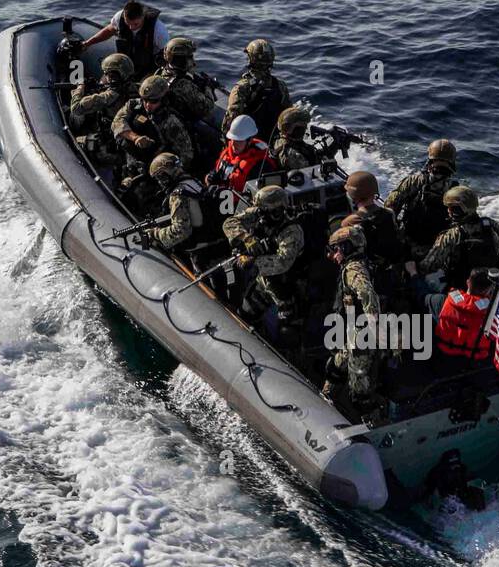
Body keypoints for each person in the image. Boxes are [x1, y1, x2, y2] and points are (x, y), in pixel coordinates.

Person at [222, 184, 304, 344]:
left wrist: (253, 262)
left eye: (267, 212)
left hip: (285, 285)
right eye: (261, 211)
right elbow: (229, 223)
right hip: (263, 281)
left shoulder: (291, 230)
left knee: (288, 331)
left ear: (277, 210)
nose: (262, 216)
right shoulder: (259, 213)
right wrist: (246, 238)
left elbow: (283, 262)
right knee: (247, 312)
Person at [324, 225, 385, 423]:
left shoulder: (353, 270)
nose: (333, 255)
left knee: (360, 387)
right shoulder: (367, 262)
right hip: (354, 331)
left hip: (362, 334)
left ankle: (372, 421)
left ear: (346, 248)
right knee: (336, 366)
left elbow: (366, 293)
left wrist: (373, 323)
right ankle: (327, 396)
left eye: (336, 249)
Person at [418, 185, 499, 291]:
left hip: (461, 291)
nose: (449, 212)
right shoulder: (495, 227)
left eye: (453, 209)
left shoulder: (451, 236)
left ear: (463, 210)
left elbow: (428, 267)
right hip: (491, 287)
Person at [127, 153, 220, 259]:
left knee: (148, 237)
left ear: (164, 174)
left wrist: (154, 234)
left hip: (198, 248)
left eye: (159, 177)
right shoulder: (194, 182)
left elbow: (181, 231)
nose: (159, 182)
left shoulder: (177, 194)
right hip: (211, 237)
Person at [338, 170, 408, 310]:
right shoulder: (389, 214)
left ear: (353, 196)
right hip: (389, 271)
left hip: (367, 275)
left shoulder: (349, 222)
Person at [388, 139, 460, 261]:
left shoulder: (414, 181)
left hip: (406, 244)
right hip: (437, 252)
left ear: (430, 159)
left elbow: (390, 207)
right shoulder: (456, 190)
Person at [111, 74, 194, 177]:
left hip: (151, 168)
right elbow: (117, 122)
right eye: (145, 99)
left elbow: (186, 154)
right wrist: (135, 138)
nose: (147, 105)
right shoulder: (134, 105)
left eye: (153, 101)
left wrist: (164, 168)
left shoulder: (171, 122)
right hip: (129, 154)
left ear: (163, 99)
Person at [158, 36, 220, 170]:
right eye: (190, 58)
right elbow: (207, 107)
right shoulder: (183, 84)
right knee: (214, 137)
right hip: (181, 126)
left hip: (169, 119)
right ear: (180, 61)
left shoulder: (163, 73)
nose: (193, 62)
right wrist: (208, 87)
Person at [69, 53, 135, 174]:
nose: (105, 76)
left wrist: (79, 90)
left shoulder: (109, 97)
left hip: (114, 147)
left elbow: (76, 108)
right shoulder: (137, 89)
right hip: (128, 142)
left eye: (108, 74)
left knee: (73, 143)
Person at [79, 0, 170, 78]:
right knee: (105, 82)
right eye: (128, 23)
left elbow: (166, 57)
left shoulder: (159, 31)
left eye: (135, 24)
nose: (131, 27)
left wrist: (153, 75)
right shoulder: (119, 17)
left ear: (143, 17)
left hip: (148, 68)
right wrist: (87, 43)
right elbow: (109, 31)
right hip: (124, 63)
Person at [222, 39, 291, 140]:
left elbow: (230, 120)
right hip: (272, 143)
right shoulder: (280, 86)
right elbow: (288, 116)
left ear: (251, 59)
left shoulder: (242, 87)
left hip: (250, 144)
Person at [433, 267, 496, 369]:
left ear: (468, 282)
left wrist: (414, 274)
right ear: (489, 290)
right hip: (475, 364)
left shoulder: (442, 301)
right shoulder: (494, 314)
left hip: (444, 359)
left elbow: (423, 298)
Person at [209, 114, 278, 193]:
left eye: (239, 140)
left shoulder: (260, 165)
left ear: (250, 140)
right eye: (233, 139)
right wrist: (210, 177)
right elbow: (216, 169)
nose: (234, 144)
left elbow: (254, 196)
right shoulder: (227, 152)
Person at [271, 106, 324, 170]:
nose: (304, 130)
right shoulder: (291, 154)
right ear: (287, 128)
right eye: (299, 128)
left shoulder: (280, 140)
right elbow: (313, 170)